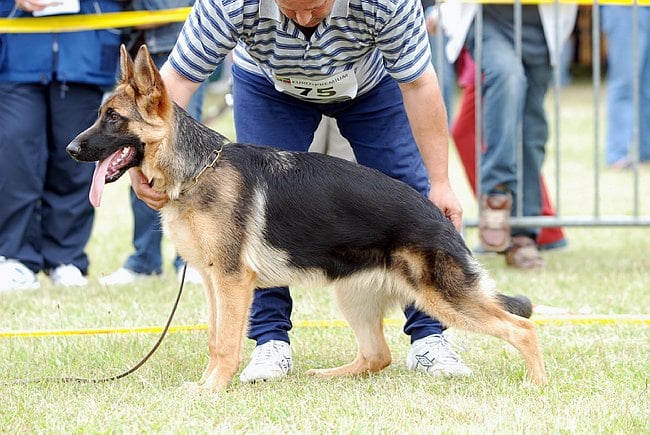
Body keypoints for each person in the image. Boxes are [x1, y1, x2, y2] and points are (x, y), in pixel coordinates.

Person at [130, 0, 473, 383]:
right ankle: (270, 341)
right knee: (251, 216)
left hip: (372, 83)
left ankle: (429, 338)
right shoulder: (227, 4)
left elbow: (419, 83)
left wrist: (440, 182)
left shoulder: (386, 3)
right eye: (293, 10)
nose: (306, 20)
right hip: (268, 84)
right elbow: (177, 80)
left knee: (407, 195)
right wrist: (145, 156)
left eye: (316, 7)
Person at [441, 1, 577, 268]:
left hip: (544, 20)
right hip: (486, 15)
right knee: (507, 75)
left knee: (531, 129)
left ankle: (524, 235)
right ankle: (497, 193)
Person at [0, 0, 123, 292]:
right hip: (16, 50)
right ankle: (15, 257)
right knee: (16, 156)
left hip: (85, 50)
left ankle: (65, 258)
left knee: (75, 159)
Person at [99, 0, 207, 286]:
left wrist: (131, 17)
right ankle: (144, 259)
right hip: (134, 49)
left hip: (181, 54)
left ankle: (191, 260)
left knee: (185, 163)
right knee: (134, 156)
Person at [450, 49, 568, 253]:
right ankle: (536, 225)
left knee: (483, 134)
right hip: (483, 55)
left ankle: (537, 225)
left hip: (492, 60)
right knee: (496, 136)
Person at [601, 5, 650, 169]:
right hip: (624, 7)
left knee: (646, 87)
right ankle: (618, 154)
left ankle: (645, 150)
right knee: (625, 83)